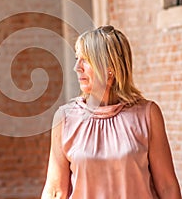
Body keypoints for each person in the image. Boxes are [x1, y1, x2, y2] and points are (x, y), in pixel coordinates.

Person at [41, 25, 181, 199]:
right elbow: (55, 192)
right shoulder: (65, 119)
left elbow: (167, 187)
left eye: (85, 60)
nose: (77, 67)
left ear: (110, 68)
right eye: (77, 59)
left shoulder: (147, 115)